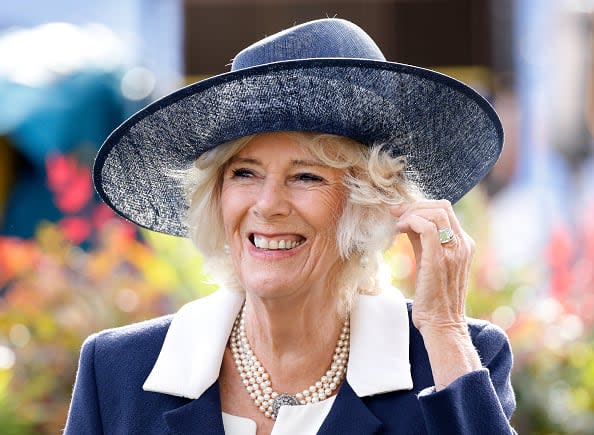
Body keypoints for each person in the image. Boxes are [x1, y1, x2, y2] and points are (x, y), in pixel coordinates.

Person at [65, 18, 515, 434]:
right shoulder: (119, 372)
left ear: (368, 204)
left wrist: (443, 327)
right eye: (244, 173)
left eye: (306, 176)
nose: (268, 204)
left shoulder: (450, 361)